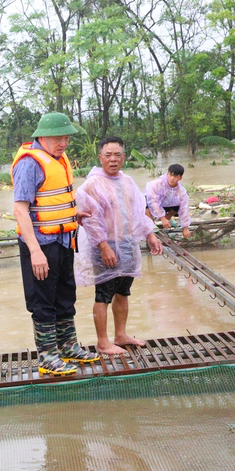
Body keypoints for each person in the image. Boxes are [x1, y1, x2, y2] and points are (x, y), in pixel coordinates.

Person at [11, 113, 99, 377]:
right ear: (42, 136)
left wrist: (73, 215)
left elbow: (52, 200)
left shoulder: (59, 159)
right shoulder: (30, 163)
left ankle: (68, 346)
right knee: (42, 299)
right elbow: (20, 210)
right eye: (58, 137)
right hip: (40, 243)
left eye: (66, 137)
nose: (64, 142)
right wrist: (35, 252)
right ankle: (48, 355)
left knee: (64, 294)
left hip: (63, 239)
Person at [75, 136, 163, 354]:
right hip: (105, 246)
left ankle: (121, 335)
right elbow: (90, 220)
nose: (113, 159)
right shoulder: (92, 184)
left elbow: (138, 212)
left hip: (127, 243)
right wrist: (104, 246)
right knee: (103, 294)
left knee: (124, 291)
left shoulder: (127, 181)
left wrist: (150, 234)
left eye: (117, 155)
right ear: (100, 158)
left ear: (124, 157)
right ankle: (103, 342)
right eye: (108, 155)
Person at [145, 164, 191, 238]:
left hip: (167, 205)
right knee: (146, 200)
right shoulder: (156, 184)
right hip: (155, 204)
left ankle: (168, 218)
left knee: (179, 205)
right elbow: (153, 202)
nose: (172, 178)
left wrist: (185, 228)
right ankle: (151, 223)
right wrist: (162, 218)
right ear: (167, 174)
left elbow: (184, 209)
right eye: (171, 175)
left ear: (180, 178)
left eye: (175, 176)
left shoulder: (181, 190)